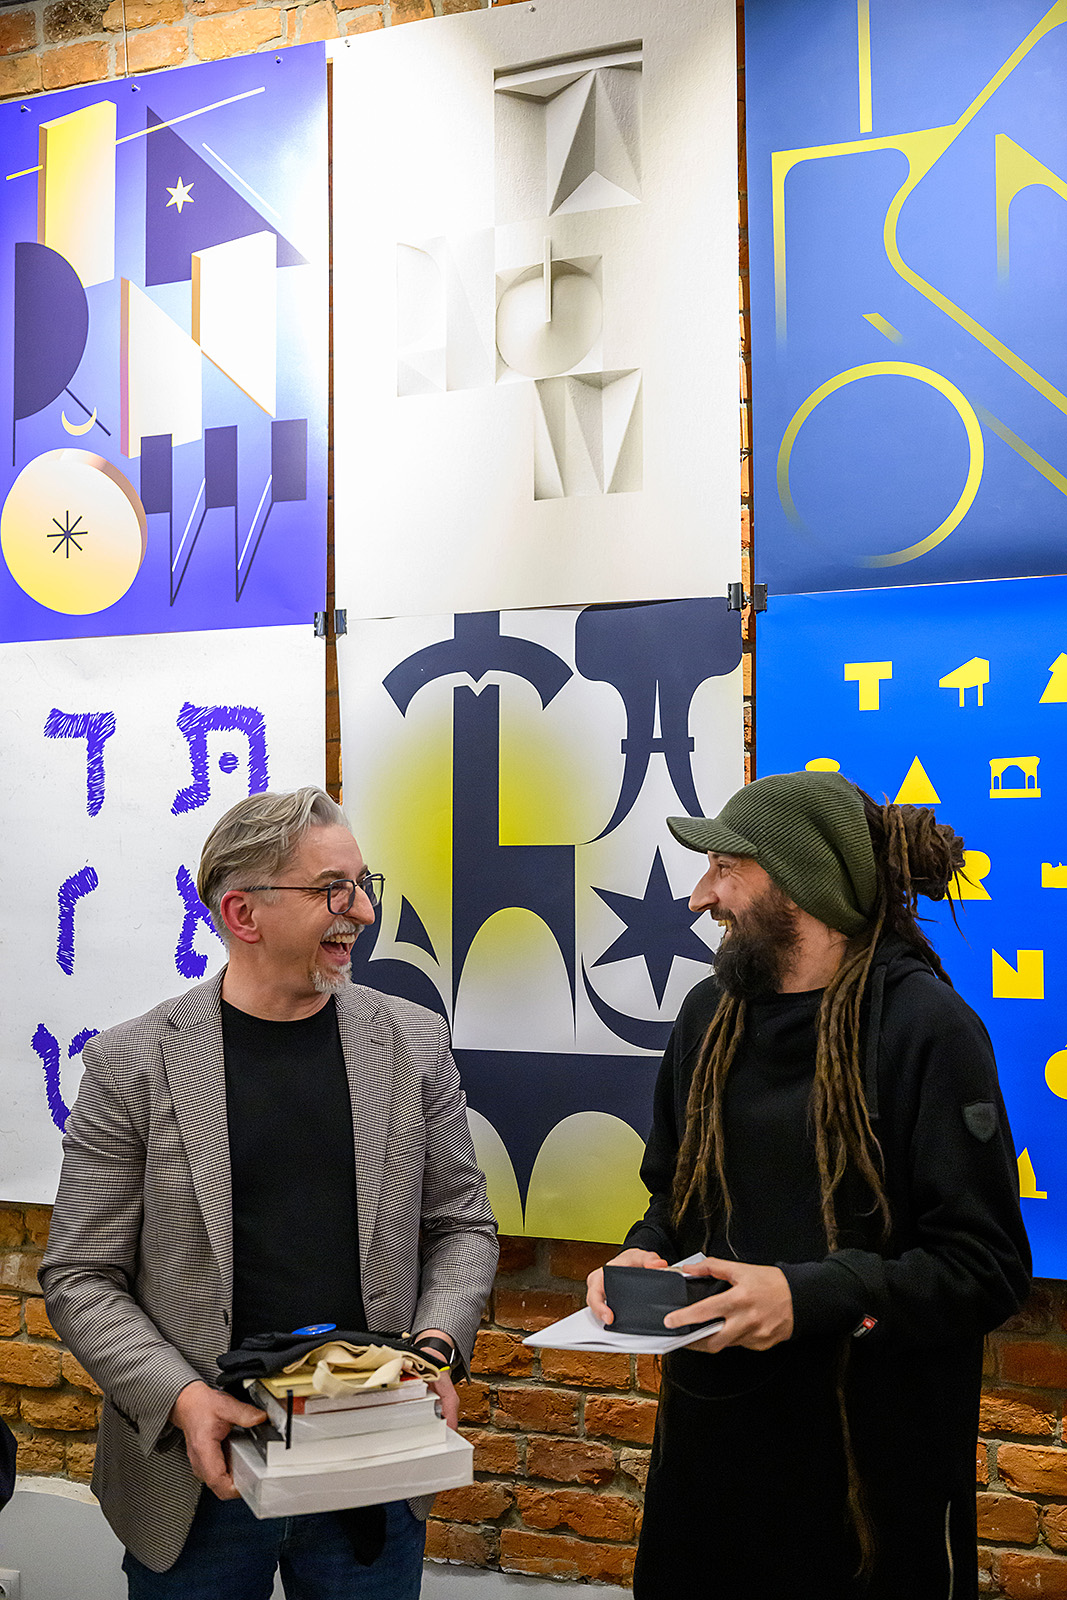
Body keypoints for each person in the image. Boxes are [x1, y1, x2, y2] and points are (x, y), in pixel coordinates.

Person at [41, 786, 498, 1599]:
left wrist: (432, 1349)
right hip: (198, 1474)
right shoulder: (130, 1064)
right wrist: (183, 1399)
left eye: (362, 885)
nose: (362, 911)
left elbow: (461, 1224)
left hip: (370, 1454)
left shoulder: (412, 1041)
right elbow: (81, 1276)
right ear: (242, 914)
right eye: (332, 890)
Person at [586, 770, 1031, 1600]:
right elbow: (672, 1198)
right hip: (710, 1453)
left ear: (801, 883)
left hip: (867, 1482)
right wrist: (644, 1253)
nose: (699, 897)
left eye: (725, 868)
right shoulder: (708, 1017)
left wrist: (806, 1297)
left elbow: (985, 1267)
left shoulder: (928, 1029)